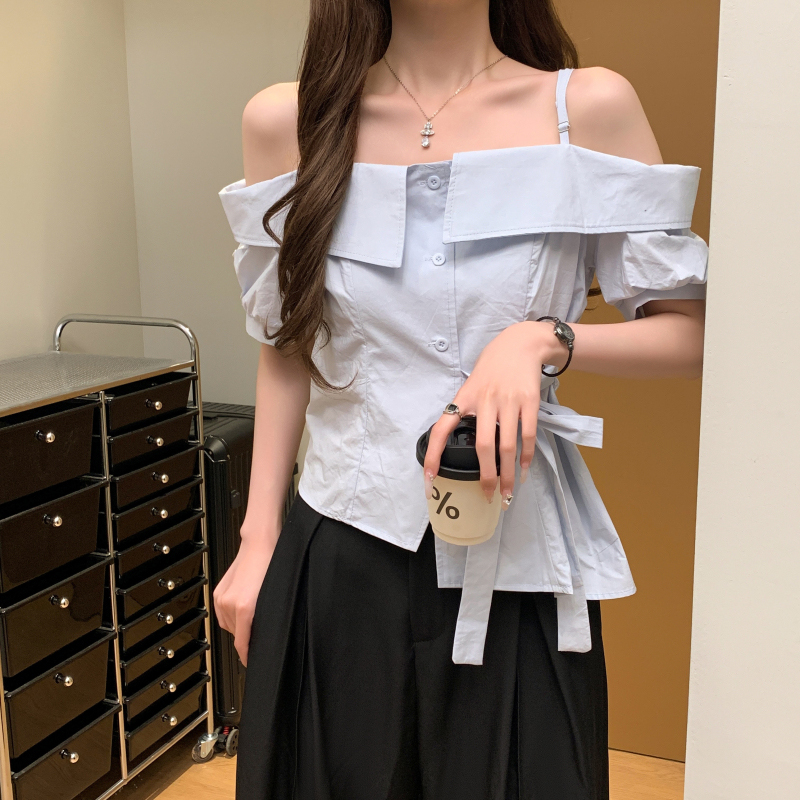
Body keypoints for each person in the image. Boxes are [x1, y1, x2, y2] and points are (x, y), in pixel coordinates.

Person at [214, 1, 708, 797]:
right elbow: (286, 343)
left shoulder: (588, 110)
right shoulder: (288, 121)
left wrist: (544, 338)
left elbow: (690, 335)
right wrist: (257, 538)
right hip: (342, 552)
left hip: (521, 561)